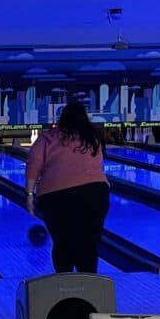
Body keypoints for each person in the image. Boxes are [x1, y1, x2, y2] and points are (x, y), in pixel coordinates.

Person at [25, 101, 109, 273]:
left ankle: (64, 284)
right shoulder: (93, 138)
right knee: (88, 245)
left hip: (55, 196)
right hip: (95, 194)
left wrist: (29, 195)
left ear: (62, 118)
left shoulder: (47, 137)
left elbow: (33, 165)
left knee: (62, 244)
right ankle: (89, 285)